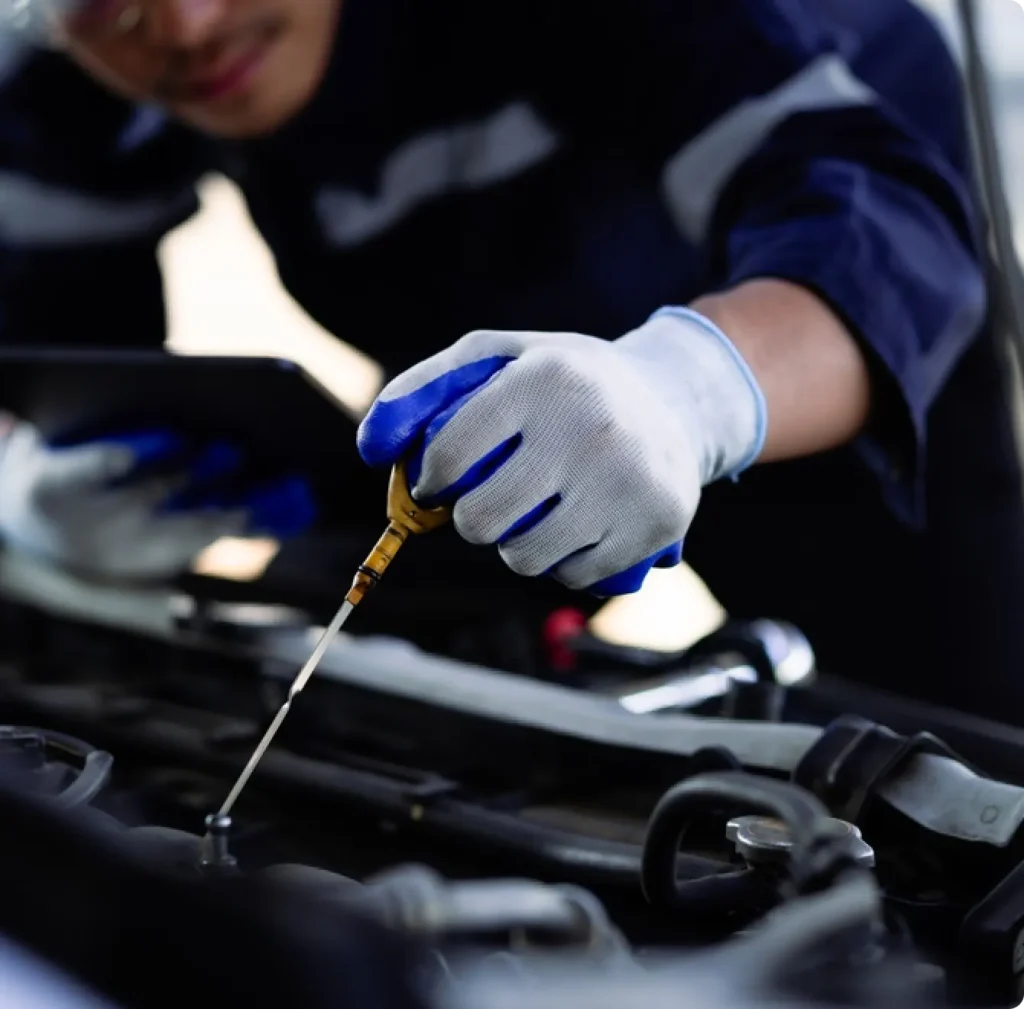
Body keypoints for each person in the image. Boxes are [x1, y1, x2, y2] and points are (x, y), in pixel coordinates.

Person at [0, 0, 1020, 717]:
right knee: (374, 691)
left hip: (808, 354)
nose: (184, 25)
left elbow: (872, 218)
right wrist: (40, 486)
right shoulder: (69, 83)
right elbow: (70, 358)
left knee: (942, 743)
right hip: (471, 374)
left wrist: (690, 391)